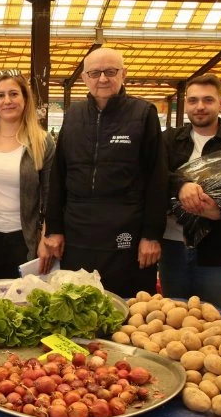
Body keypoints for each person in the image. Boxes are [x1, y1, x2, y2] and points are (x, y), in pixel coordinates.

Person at [44, 48, 167, 298]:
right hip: (78, 230)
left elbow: (158, 178)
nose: (102, 79)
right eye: (95, 73)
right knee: (76, 302)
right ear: (84, 78)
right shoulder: (74, 115)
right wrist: (53, 229)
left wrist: (151, 235)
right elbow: (58, 175)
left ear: (123, 74)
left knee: (125, 306)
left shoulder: (143, 113)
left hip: (125, 230)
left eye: (110, 72)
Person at [160, 74, 221, 309]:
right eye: (193, 101)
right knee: (171, 320)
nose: (200, 107)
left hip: (217, 251)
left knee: (213, 321)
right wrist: (181, 185)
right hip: (172, 247)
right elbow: (153, 176)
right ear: (186, 105)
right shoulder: (169, 140)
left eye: (208, 100)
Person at [0, 69, 55, 286]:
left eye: (13, 94)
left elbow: (50, 195)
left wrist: (46, 237)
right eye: (0, 95)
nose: (7, 101)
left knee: (20, 305)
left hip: (23, 239)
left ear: (25, 99)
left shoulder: (42, 141)